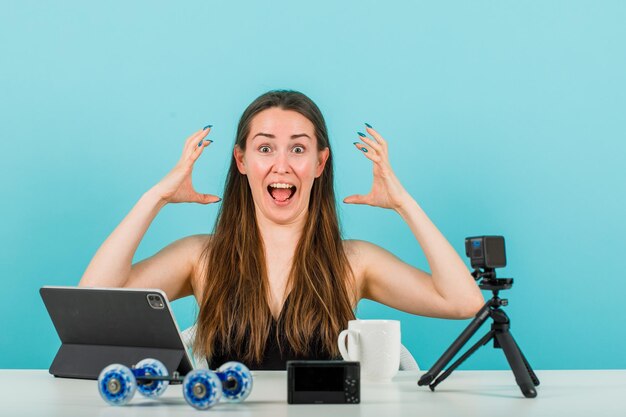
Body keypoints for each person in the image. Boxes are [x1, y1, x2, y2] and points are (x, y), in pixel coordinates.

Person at [78, 90, 484, 370]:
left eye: (299, 148)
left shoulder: (353, 263)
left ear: (320, 164)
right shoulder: (201, 257)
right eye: (266, 147)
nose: (282, 165)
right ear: (241, 160)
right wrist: (157, 197)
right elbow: (92, 302)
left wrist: (403, 203)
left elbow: (464, 303)